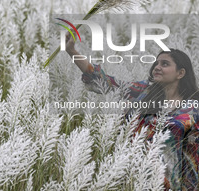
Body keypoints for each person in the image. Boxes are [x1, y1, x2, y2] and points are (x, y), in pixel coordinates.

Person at [65, 34, 199, 190]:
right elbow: (104, 82)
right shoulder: (142, 91)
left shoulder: (193, 108)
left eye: (165, 64)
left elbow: (194, 155)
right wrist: (72, 51)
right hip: (129, 177)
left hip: (167, 183)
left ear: (180, 73)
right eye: (156, 63)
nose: (157, 67)